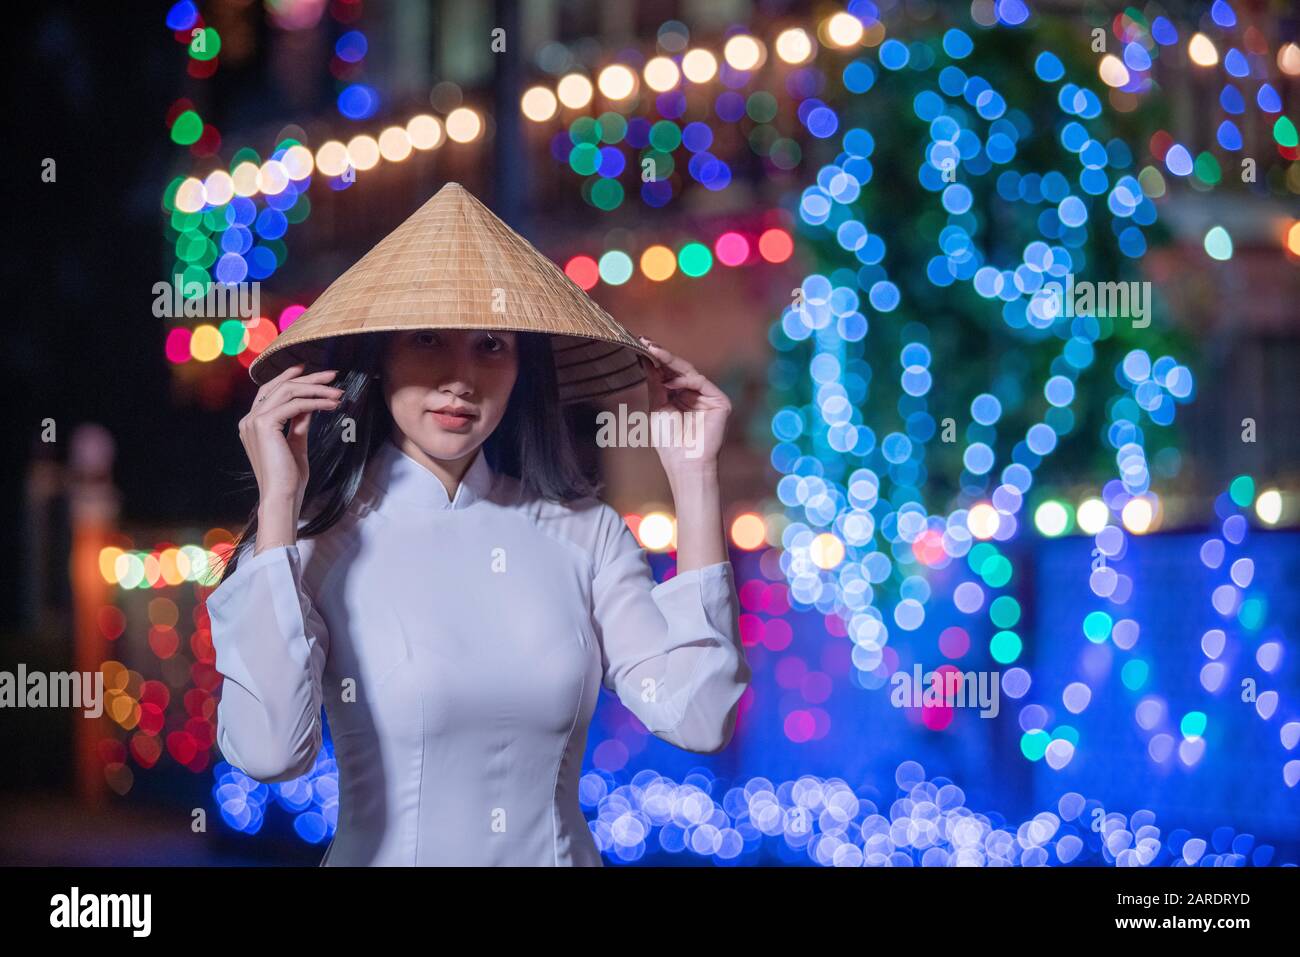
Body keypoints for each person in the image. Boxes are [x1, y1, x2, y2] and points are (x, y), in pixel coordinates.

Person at [205, 184, 751, 865]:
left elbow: (699, 716)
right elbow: (268, 750)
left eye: (490, 344)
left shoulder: (585, 534)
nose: (461, 378)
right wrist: (281, 503)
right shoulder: (311, 548)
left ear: (522, 368)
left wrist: (695, 478)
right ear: (379, 358)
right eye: (428, 338)